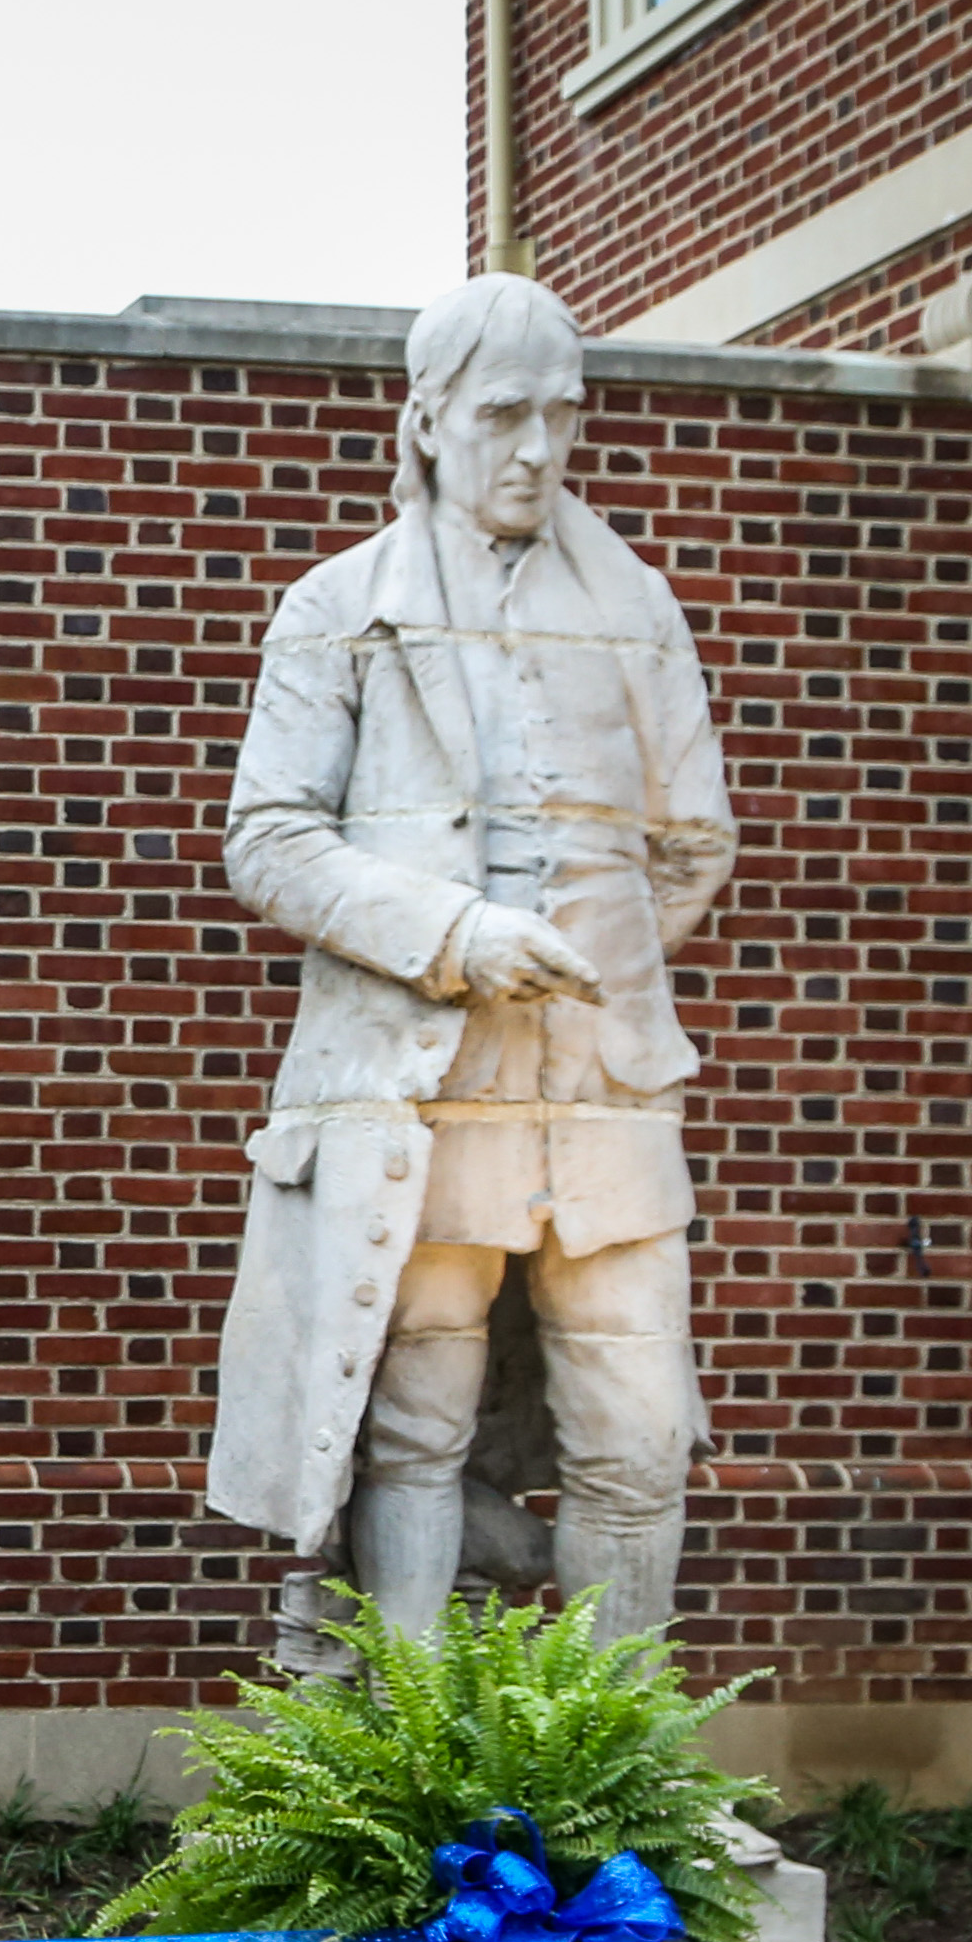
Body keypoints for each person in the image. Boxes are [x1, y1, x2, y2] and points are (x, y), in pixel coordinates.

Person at [204, 270, 738, 1660]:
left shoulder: (639, 608)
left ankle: (621, 1772)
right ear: (428, 419)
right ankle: (415, 1756)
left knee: (638, 1436)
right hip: (422, 1083)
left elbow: (691, 845)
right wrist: (460, 942)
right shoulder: (338, 608)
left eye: (565, 414)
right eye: (506, 413)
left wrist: (582, 967)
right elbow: (266, 839)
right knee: (417, 1426)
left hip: (605, 1086)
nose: (540, 448)